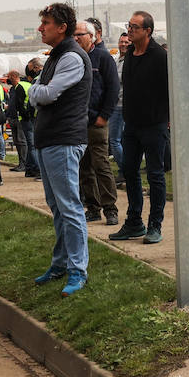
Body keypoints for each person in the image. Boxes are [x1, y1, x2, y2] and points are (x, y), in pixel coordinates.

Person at [28, 3, 94, 297]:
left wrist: (36, 90)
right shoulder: (57, 55)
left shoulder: (71, 57)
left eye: (46, 23)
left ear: (62, 27)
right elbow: (38, 90)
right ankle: (60, 264)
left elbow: (47, 93)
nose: (41, 28)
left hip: (64, 140)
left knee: (70, 208)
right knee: (58, 208)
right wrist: (36, 89)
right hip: (49, 140)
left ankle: (78, 271)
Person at [109, 11, 170, 245]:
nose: (130, 30)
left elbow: (169, 88)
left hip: (154, 124)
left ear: (148, 31)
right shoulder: (131, 55)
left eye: (135, 27)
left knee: (155, 175)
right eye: (129, 26)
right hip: (131, 124)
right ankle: (134, 222)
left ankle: (155, 224)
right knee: (130, 171)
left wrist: (167, 117)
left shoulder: (159, 56)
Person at [77, 20, 120, 226]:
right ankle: (92, 207)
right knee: (83, 167)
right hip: (77, 123)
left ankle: (110, 208)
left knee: (101, 164)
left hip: (96, 122)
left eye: (80, 35)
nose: (76, 38)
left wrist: (104, 115)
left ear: (92, 37)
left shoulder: (102, 58)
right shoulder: (73, 58)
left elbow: (113, 89)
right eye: (73, 35)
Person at [109, 34, 129, 182]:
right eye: (121, 42)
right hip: (115, 104)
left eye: (126, 42)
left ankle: (125, 170)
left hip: (121, 105)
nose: (123, 44)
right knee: (120, 140)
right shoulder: (117, 61)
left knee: (114, 140)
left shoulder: (129, 61)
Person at [22, 58, 44, 179]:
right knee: (33, 145)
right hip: (37, 115)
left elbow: (33, 99)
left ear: (36, 68)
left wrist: (29, 113)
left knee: (36, 145)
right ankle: (31, 169)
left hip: (37, 115)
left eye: (30, 69)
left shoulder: (38, 79)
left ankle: (39, 171)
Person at [6, 70, 30, 169]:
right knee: (17, 142)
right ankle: (21, 163)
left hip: (20, 118)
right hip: (13, 117)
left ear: (13, 76)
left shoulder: (20, 87)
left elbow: (21, 103)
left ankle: (24, 163)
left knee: (22, 141)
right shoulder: (12, 89)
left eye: (9, 76)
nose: (7, 79)